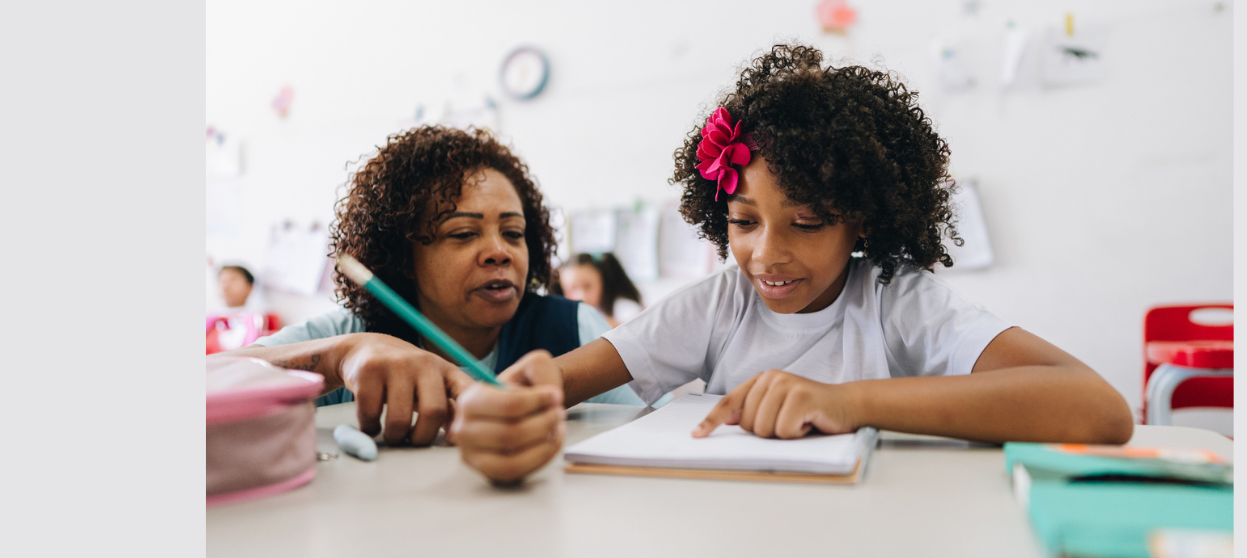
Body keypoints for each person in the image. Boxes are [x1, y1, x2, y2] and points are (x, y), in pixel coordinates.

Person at [451, 44, 1134, 485]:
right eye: (743, 222)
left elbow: (1097, 409)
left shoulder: (897, 300)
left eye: (806, 223)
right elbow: (546, 386)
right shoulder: (720, 303)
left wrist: (847, 401)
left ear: (862, 218)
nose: (767, 254)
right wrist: (518, 396)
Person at [219, 126, 646, 448]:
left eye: (514, 233)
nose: (500, 252)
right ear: (401, 255)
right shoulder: (350, 336)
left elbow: (654, 436)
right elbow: (212, 382)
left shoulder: (573, 329)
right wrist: (337, 357)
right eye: (462, 234)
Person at [550, 253, 645, 328]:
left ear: (603, 281)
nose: (581, 296)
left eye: (587, 286)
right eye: (571, 288)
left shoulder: (626, 309)